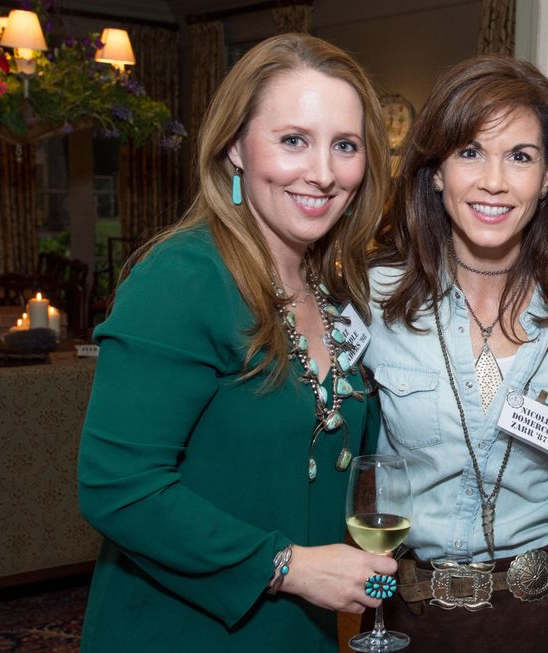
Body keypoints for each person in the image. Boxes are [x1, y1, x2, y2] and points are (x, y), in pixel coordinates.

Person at [77, 33, 394, 652]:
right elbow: (117, 485)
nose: (324, 174)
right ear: (235, 148)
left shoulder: (333, 293)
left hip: (299, 631)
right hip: (182, 631)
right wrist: (291, 567)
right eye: (293, 140)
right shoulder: (183, 277)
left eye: (345, 146)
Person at [361, 55, 548, 651]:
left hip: (535, 617)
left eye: (520, 156)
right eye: (469, 152)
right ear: (435, 171)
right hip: (407, 616)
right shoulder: (372, 299)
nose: (494, 181)